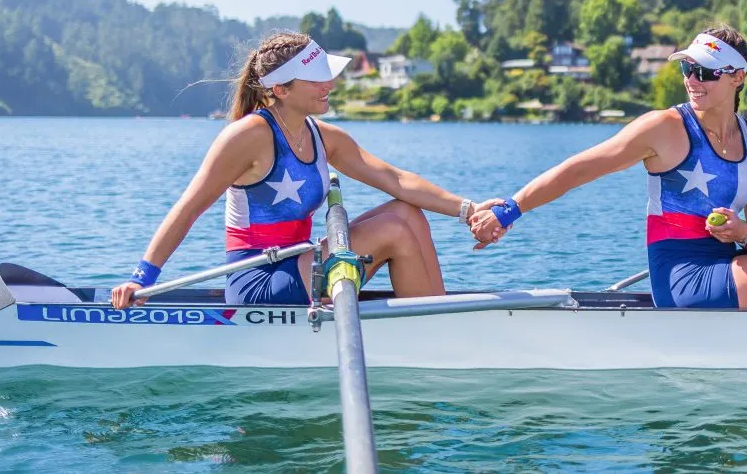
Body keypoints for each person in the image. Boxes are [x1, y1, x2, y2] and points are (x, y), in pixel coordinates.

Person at [469, 27, 747, 311]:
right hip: (686, 282)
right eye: (688, 68)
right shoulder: (664, 128)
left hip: (735, 261)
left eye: (705, 72)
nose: (692, 80)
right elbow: (577, 169)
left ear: (737, 78)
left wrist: (741, 233)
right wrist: (509, 211)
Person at [112, 32, 498, 309]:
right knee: (393, 228)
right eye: (317, 79)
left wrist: (469, 209)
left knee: (405, 213)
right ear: (280, 89)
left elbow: (395, 179)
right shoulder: (247, 136)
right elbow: (189, 207)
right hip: (258, 280)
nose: (329, 84)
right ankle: (431, 328)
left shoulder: (323, 136)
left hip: (300, 262)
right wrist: (141, 279)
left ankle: (434, 313)